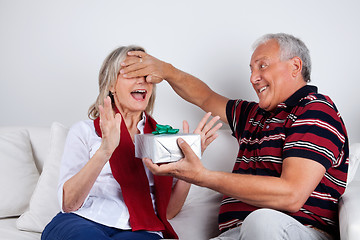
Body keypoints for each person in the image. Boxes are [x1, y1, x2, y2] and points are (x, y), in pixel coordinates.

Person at [119, 33, 349, 240]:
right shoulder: (253, 115)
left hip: (295, 230)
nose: (253, 78)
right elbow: (205, 97)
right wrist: (166, 71)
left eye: (262, 66)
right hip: (237, 233)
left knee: (262, 221)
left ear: (295, 66)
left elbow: (291, 195)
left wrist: (201, 176)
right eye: (251, 69)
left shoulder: (315, 110)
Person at [41, 45, 222, 240]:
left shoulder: (162, 139)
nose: (142, 80)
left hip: (140, 229)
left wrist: (189, 164)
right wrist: (105, 150)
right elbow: (69, 203)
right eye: (132, 73)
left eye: (147, 75)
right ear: (111, 85)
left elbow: (167, 212)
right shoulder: (84, 131)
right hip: (83, 219)